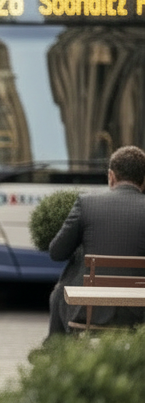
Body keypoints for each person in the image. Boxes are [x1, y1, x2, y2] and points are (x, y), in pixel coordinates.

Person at [48, 144, 145, 338]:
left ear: (111, 176)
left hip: (91, 311)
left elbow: (56, 253)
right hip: (139, 315)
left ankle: (52, 349)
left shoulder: (87, 204)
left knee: (63, 285)